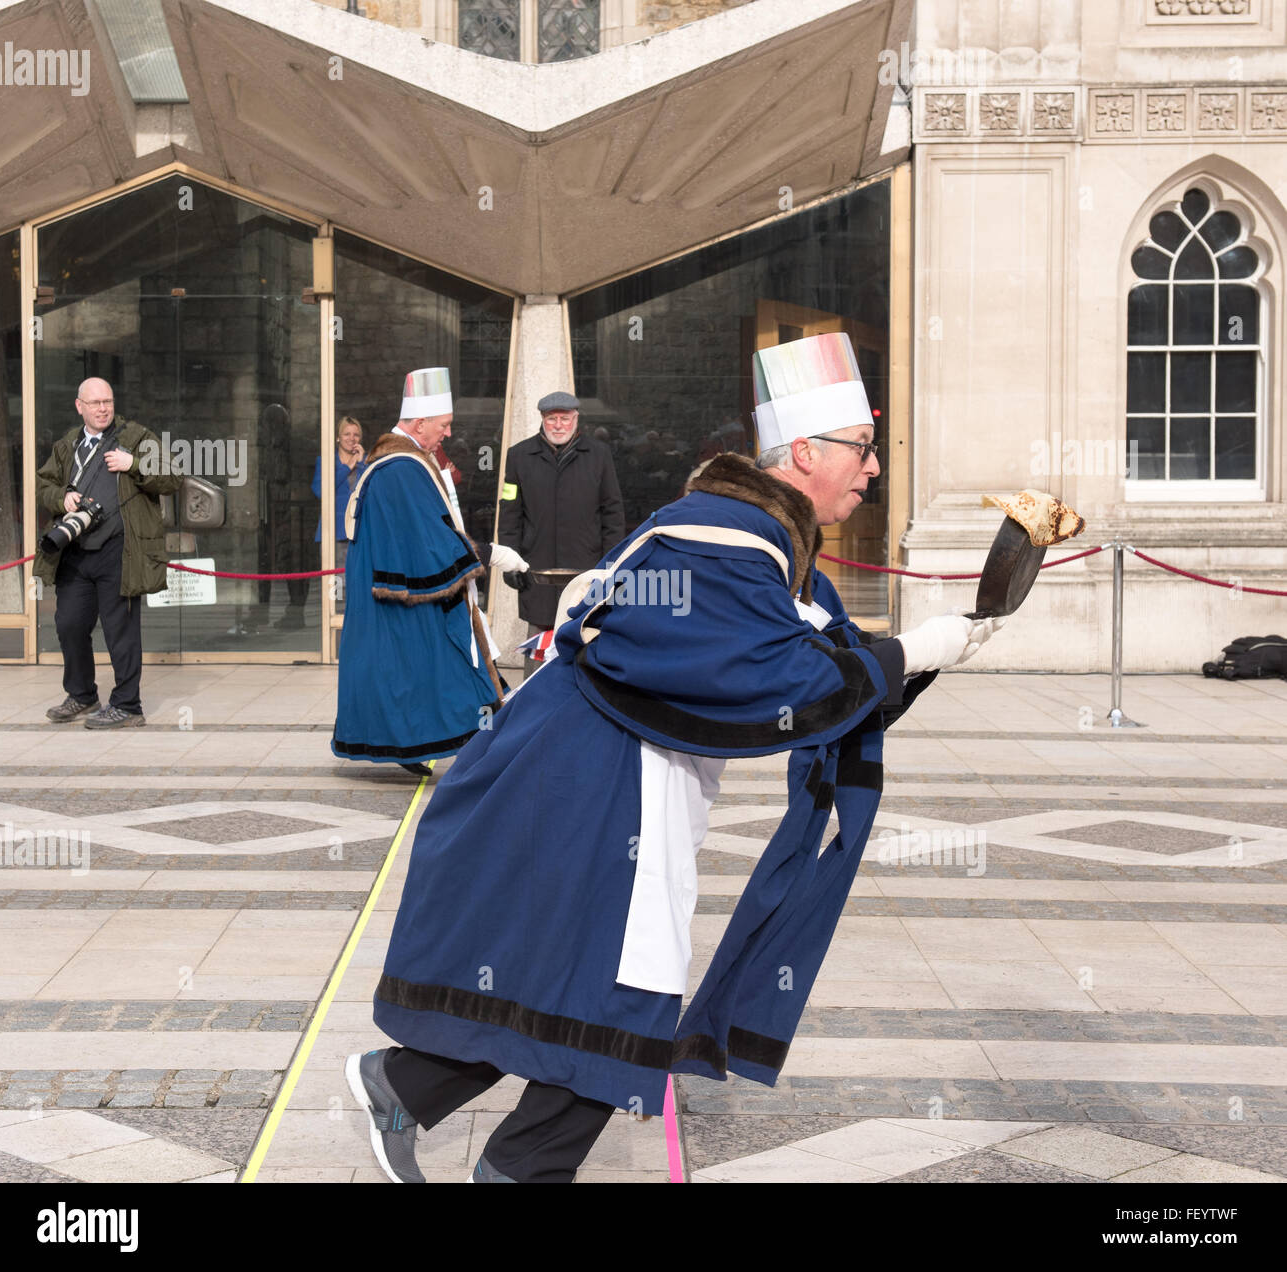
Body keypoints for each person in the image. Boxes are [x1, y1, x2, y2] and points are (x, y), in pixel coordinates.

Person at [345, 332, 1005, 1183]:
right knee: (628, 985)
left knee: (576, 973)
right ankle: (504, 1161)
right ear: (805, 452)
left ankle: (406, 1088)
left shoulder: (762, 537)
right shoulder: (722, 535)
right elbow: (773, 677)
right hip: (595, 778)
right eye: (863, 449)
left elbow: (828, 669)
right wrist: (913, 649)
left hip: (606, 775)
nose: (874, 468)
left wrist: (932, 650)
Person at [331, 367, 529, 777]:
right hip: (403, 598)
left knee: (412, 676)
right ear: (419, 423)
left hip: (396, 593)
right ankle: (478, 750)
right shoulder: (402, 467)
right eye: (444, 425)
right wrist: (491, 553)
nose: (449, 433)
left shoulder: (402, 461)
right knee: (435, 670)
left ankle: (426, 747)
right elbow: (426, 537)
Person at [34, 378, 183, 727]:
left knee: (121, 630)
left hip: (120, 551)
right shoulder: (67, 445)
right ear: (79, 406)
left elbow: (172, 478)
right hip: (75, 553)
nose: (103, 408)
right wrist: (62, 499)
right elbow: (43, 485)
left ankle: (128, 705)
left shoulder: (137, 439)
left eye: (108, 402)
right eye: (96, 402)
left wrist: (134, 464)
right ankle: (82, 695)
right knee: (69, 624)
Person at [497, 391, 624, 644]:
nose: (558, 425)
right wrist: (510, 561)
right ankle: (535, 684)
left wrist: (611, 563)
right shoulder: (519, 456)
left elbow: (613, 512)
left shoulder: (599, 455)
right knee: (538, 642)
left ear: (576, 419)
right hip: (537, 567)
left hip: (586, 565)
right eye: (551, 418)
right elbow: (509, 513)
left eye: (564, 418)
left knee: (584, 635)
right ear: (542, 419)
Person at [313, 415, 365, 610]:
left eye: (356, 435)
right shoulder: (326, 461)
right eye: (347, 434)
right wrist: (348, 467)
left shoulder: (365, 462)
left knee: (359, 591)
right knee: (336, 595)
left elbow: (371, 492)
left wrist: (360, 464)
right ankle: (335, 638)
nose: (352, 439)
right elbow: (321, 491)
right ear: (337, 437)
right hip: (333, 535)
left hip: (359, 534)